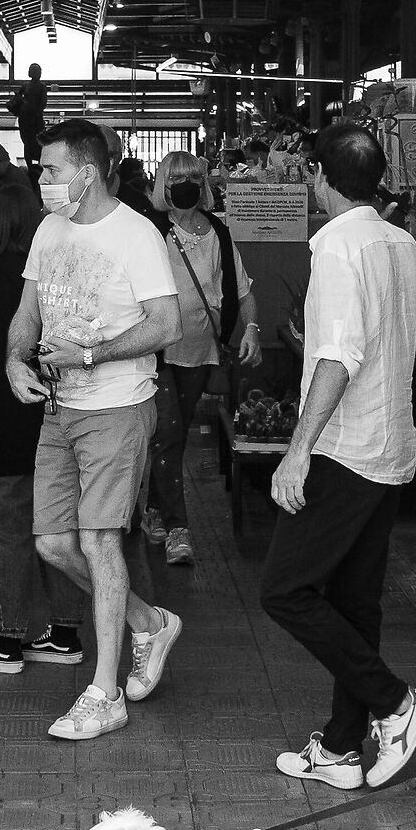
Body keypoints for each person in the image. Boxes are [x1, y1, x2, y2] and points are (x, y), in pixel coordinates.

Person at [261, 124, 416, 791]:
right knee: (355, 601)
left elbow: (339, 355)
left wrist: (297, 452)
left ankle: (395, 702)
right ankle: (340, 746)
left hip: (345, 446)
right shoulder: (398, 242)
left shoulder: (337, 246)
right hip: (391, 441)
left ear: (318, 176)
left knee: (284, 589)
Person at [7, 117, 183, 742]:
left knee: (100, 541)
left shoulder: (137, 234)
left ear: (87, 172)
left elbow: (167, 326)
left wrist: (89, 354)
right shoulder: (49, 229)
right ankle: (149, 623)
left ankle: (105, 693)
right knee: (54, 545)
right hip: (59, 407)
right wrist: (14, 360)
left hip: (117, 405)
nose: (42, 181)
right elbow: (27, 311)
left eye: (50, 171)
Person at [0, 181, 82, 673]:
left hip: (2, 420)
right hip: (56, 413)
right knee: (56, 528)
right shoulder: (57, 273)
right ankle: (65, 633)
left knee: (7, 532)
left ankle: (8, 640)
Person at [144, 150, 260, 564]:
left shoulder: (219, 234)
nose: (186, 186)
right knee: (170, 433)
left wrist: (251, 329)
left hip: (201, 349)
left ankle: (154, 508)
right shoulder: (152, 232)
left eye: (193, 177)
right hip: (157, 353)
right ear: (164, 186)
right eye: (177, 179)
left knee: (175, 434)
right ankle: (178, 529)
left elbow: (242, 290)